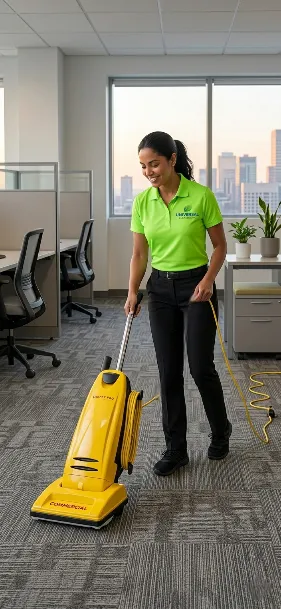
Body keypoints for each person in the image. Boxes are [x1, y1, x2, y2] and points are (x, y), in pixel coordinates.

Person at [124, 131, 231, 477]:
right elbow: (140, 254)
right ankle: (176, 448)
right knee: (168, 371)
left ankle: (220, 429)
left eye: (154, 163)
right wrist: (132, 291)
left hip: (196, 286)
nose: (149, 171)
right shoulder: (143, 203)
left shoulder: (200, 196)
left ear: (172, 160)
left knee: (200, 367)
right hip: (160, 290)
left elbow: (219, 247)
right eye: (143, 166)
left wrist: (208, 280)